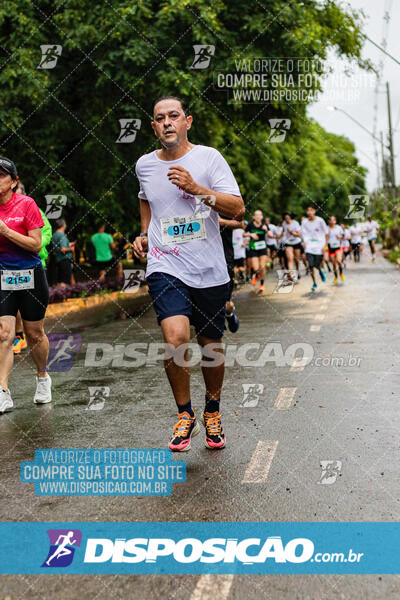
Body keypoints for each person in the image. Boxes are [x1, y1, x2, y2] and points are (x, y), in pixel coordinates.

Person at [133, 96, 244, 451]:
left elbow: (238, 208)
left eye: (174, 116)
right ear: (154, 127)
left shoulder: (209, 158)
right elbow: (146, 198)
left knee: (210, 345)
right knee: (175, 337)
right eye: (160, 118)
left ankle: (213, 410)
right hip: (166, 265)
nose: (167, 122)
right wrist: (143, 232)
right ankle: (185, 414)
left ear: (187, 122)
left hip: (209, 269)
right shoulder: (145, 165)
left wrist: (198, 189)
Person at [0, 157, 52, 413]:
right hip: (1, 276)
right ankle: (3, 391)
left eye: (1, 175)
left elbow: (36, 244)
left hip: (30, 274)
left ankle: (42, 376)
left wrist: (6, 231)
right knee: (4, 333)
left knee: (34, 334)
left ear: (14, 181)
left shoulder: (27, 204)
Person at [12, 182, 52, 355]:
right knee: (13, 307)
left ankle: (32, 338)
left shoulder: (34, 210)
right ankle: (18, 336)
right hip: (10, 267)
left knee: (31, 315)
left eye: (18, 193)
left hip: (35, 265)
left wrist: (33, 246)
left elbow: (47, 234)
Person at [219, 216, 244, 332]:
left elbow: (241, 224)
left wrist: (221, 222)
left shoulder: (221, 203)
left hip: (225, 259)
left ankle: (229, 314)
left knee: (226, 304)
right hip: (200, 261)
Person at [301, 205, 328, 292]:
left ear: (314, 211)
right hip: (309, 247)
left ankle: (321, 271)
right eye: (308, 210)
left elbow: (326, 233)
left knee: (317, 265)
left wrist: (325, 245)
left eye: (311, 210)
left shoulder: (320, 221)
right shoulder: (304, 222)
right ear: (306, 212)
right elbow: (303, 234)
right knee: (311, 265)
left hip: (319, 247)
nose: (310, 212)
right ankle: (314, 283)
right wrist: (304, 242)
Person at [244, 210, 270, 294]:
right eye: (256, 215)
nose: (258, 217)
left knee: (262, 266)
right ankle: (256, 275)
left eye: (260, 215)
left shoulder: (264, 225)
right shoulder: (250, 225)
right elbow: (243, 234)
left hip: (262, 248)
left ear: (262, 217)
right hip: (253, 248)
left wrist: (266, 230)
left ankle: (262, 285)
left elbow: (271, 235)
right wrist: (250, 235)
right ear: (254, 217)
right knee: (255, 268)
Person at [51, 218, 75, 286]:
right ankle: (63, 295)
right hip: (65, 259)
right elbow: (63, 249)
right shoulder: (62, 235)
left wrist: (69, 244)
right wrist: (71, 249)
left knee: (60, 280)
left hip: (58, 259)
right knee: (64, 281)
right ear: (63, 225)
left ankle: (59, 294)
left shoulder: (54, 234)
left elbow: (58, 246)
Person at [282, 212, 302, 281]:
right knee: (290, 259)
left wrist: (291, 232)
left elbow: (299, 234)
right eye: (285, 218)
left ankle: (298, 270)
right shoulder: (283, 223)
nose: (286, 219)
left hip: (296, 242)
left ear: (290, 217)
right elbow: (283, 232)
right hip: (288, 243)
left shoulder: (295, 223)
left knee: (296, 259)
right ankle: (291, 275)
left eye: (287, 218)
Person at [327, 216, 344, 283]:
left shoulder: (338, 228)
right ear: (329, 221)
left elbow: (343, 235)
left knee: (339, 261)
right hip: (330, 248)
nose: (332, 221)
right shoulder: (326, 228)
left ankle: (341, 273)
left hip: (338, 247)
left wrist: (340, 236)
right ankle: (336, 277)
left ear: (335, 221)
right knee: (334, 264)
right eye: (330, 220)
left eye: (333, 220)